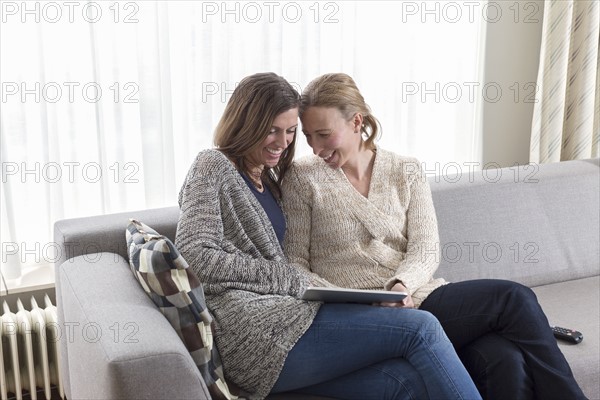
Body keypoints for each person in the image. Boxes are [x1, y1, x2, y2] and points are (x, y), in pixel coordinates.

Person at [176, 72, 483, 400]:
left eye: (291, 132)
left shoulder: (271, 179)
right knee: (421, 328)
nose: (283, 142)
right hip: (254, 329)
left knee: (404, 381)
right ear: (245, 123)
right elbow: (194, 254)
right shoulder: (212, 166)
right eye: (271, 131)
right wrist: (288, 277)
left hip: (289, 318)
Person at [281, 72, 587, 400]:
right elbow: (295, 264)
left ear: (357, 122)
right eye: (309, 136)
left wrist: (401, 285)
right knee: (513, 302)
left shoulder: (406, 169)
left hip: (420, 296)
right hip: (360, 315)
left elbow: (426, 247)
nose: (315, 148)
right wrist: (353, 298)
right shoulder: (302, 178)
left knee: (505, 359)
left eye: (324, 134)